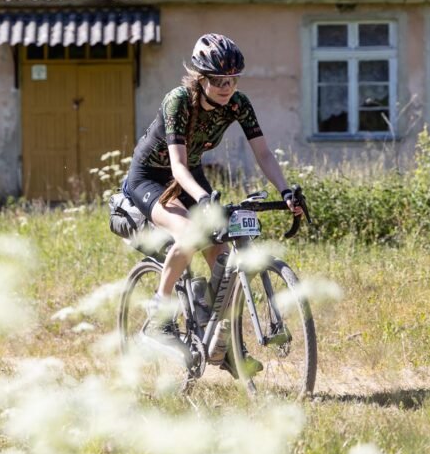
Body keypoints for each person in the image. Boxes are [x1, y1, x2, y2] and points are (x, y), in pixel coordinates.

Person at [122, 33, 303, 375]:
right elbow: (176, 166)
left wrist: (285, 191)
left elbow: (262, 152)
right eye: (219, 80)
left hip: (190, 175)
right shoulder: (178, 101)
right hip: (150, 177)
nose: (227, 86)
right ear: (201, 77)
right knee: (189, 233)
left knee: (222, 256)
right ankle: (158, 320)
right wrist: (203, 199)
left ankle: (226, 345)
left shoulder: (238, 103)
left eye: (233, 79)